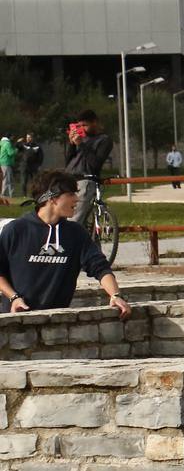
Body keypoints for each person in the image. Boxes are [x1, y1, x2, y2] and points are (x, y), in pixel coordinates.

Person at [0, 169, 130, 318]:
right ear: (52, 198)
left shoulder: (76, 233)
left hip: (58, 323)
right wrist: (14, 298)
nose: (77, 199)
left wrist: (115, 295)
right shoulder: (16, 230)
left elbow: (100, 268)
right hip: (16, 322)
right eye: (70, 194)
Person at [63, 110, 113, 225]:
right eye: (80, 126)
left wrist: (81, 144)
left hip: (85, 179)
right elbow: (69, 162)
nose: (82, 129)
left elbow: (95, 164)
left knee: (74, 220)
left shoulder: (104, 140)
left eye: (85, 125)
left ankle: (69, 241)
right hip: (69, 179)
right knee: (61, 217)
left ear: (94, 123)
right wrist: (71, 144)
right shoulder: (80, 138)